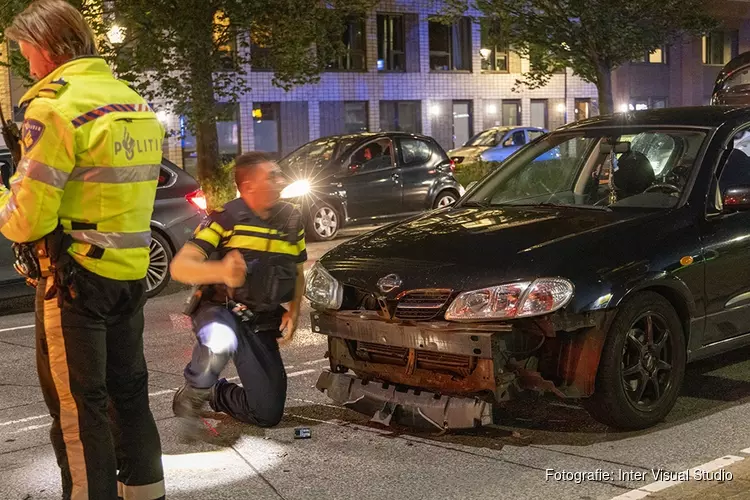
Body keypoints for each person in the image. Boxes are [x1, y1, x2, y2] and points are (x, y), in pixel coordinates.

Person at [2, 1, 165, 498]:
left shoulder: (53, 106)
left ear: (47, 47)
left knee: (78, 408)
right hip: (128, 274)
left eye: (25, 50)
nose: (25, 62)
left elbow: (27, 220)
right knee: (131, 395)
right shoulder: (132, 103)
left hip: (73, 283)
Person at [170, 151, 306, 439]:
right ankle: (194, 390)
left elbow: (297, 272)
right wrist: (221, 270)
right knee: (221, 335)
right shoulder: (225, 218)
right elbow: (180, 266)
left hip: (260, 319)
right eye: (272, 176)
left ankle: (215, 393)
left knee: (267, 413)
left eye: (279, 174)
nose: (281, 181)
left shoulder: (292, 220)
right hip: (219, 310)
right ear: (248, 187)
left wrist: (294, 311)